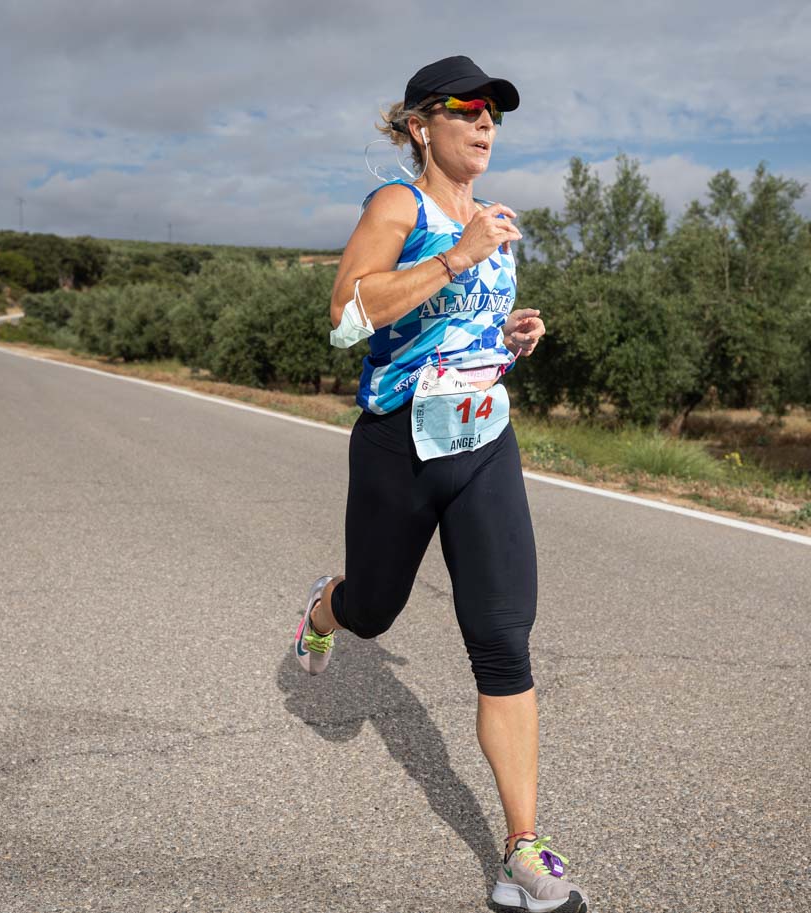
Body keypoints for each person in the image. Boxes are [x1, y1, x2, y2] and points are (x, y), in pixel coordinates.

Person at [292, 56, 588, 913]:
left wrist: (512, 333)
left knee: (502, 638)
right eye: (468, 110)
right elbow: (349, 317)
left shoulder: (490, 218)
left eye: (496, 113)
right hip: (398, 445)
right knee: (375, 607)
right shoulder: (399, 206)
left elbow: (464, 327)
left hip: (483, 437)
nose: (487, 123)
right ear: (422, 125)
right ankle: (325, 609)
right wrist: (459, 255)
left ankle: (522, 851)